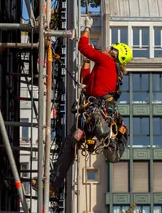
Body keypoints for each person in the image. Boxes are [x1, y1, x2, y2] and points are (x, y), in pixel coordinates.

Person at [48, 16, 132, 192]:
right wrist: (87, 62)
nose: (108, 48)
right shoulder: (110, 68)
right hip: (94, 111)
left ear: (115, 53)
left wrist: (87, 29)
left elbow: (82, 47)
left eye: (112, 48)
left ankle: (54, 185)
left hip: (97, 111)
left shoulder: (106, 60)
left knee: (70, 144)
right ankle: (54, 185)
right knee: (70, 141)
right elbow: (86, 79)